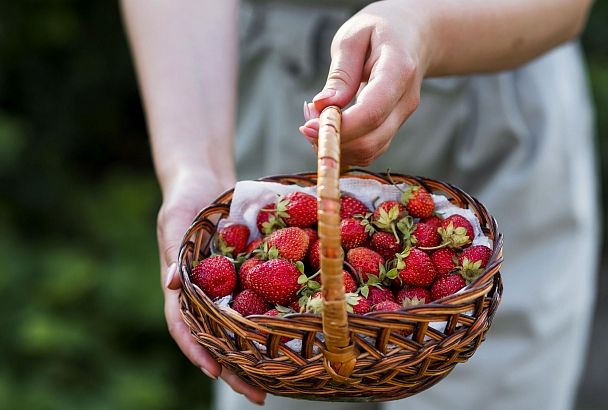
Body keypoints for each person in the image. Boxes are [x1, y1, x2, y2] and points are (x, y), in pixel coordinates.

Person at [121, 1, 599, 409]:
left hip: (497, 59)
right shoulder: (269, 216)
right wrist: (196, 170)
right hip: (278, 96)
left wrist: (422, 24)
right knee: (277, 362)